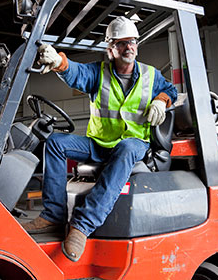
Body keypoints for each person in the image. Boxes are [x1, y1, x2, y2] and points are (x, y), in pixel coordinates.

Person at [21, 16, 177, 262]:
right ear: (110, 49)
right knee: (54, 143)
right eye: (122, 43)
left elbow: (171, 90)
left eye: (132, 42)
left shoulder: (150, 75)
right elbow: (75, 72)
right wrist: (59, 62)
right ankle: (53, 215)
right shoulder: (98, 72)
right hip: (99, 144)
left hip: (134, 143)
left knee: (125, 148)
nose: (129, 47)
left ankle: (83, 225)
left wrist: (162, 100)